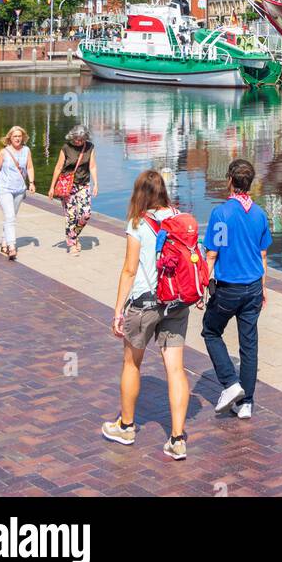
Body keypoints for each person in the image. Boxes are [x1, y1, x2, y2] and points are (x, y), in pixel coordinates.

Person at [102, 170, 190, 461]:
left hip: (145, 303)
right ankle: (177, 439)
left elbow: (129, 269)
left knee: (131, 363)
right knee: (175, 369)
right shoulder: (179, 217)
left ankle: (126, 426)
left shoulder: (138, 222)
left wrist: (117, 310)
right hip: (176, 303)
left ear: (139, 193)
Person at [203, 157, 272, 420]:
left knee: (211, 331)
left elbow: (212, 254)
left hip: (228, 288)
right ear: (250, 183)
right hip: (253, 286)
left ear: (230, 181)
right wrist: (264, 288)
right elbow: (263, 254)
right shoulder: (260, 214)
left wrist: (202, 284)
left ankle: (231, 383)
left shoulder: (221, 214)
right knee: (249, 344)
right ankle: (247, 403)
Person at [48, 123, 98, 255]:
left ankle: (73, 235)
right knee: (71, 216)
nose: (78, 142)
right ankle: (73, 244)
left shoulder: (89, 147)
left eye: (81, 139)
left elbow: (92, 166)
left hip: (84, 185)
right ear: (72, 137)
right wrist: (52, 187)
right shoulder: (66, 148)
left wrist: (96, 184)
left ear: (86, 138)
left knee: (86, 214)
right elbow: (58, 167)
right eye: (76, 139)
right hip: (68, 186)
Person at [0, 126, 35, 259]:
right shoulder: (4, 152)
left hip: (20, 189)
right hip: (4, 189)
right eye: (15, 136)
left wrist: (31, 183)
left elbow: (30, 167)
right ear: (10, 138)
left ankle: (4, 242)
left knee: (11, 216)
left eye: (20, 136)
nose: (18, 138)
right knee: (10, 217)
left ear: (23, 137)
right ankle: (12, 247)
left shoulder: (26, 150)